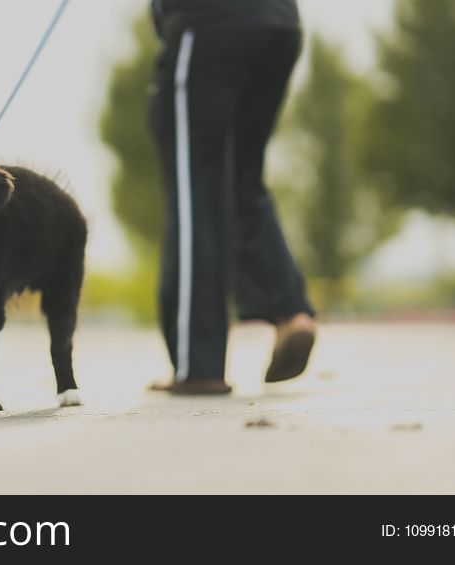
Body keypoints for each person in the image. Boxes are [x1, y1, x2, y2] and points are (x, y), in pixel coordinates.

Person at [147, 0, 316, 395]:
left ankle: (198, 365)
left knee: (195, 189)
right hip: (279, 24)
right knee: (242, 180)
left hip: (207, 23)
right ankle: (291, 313)